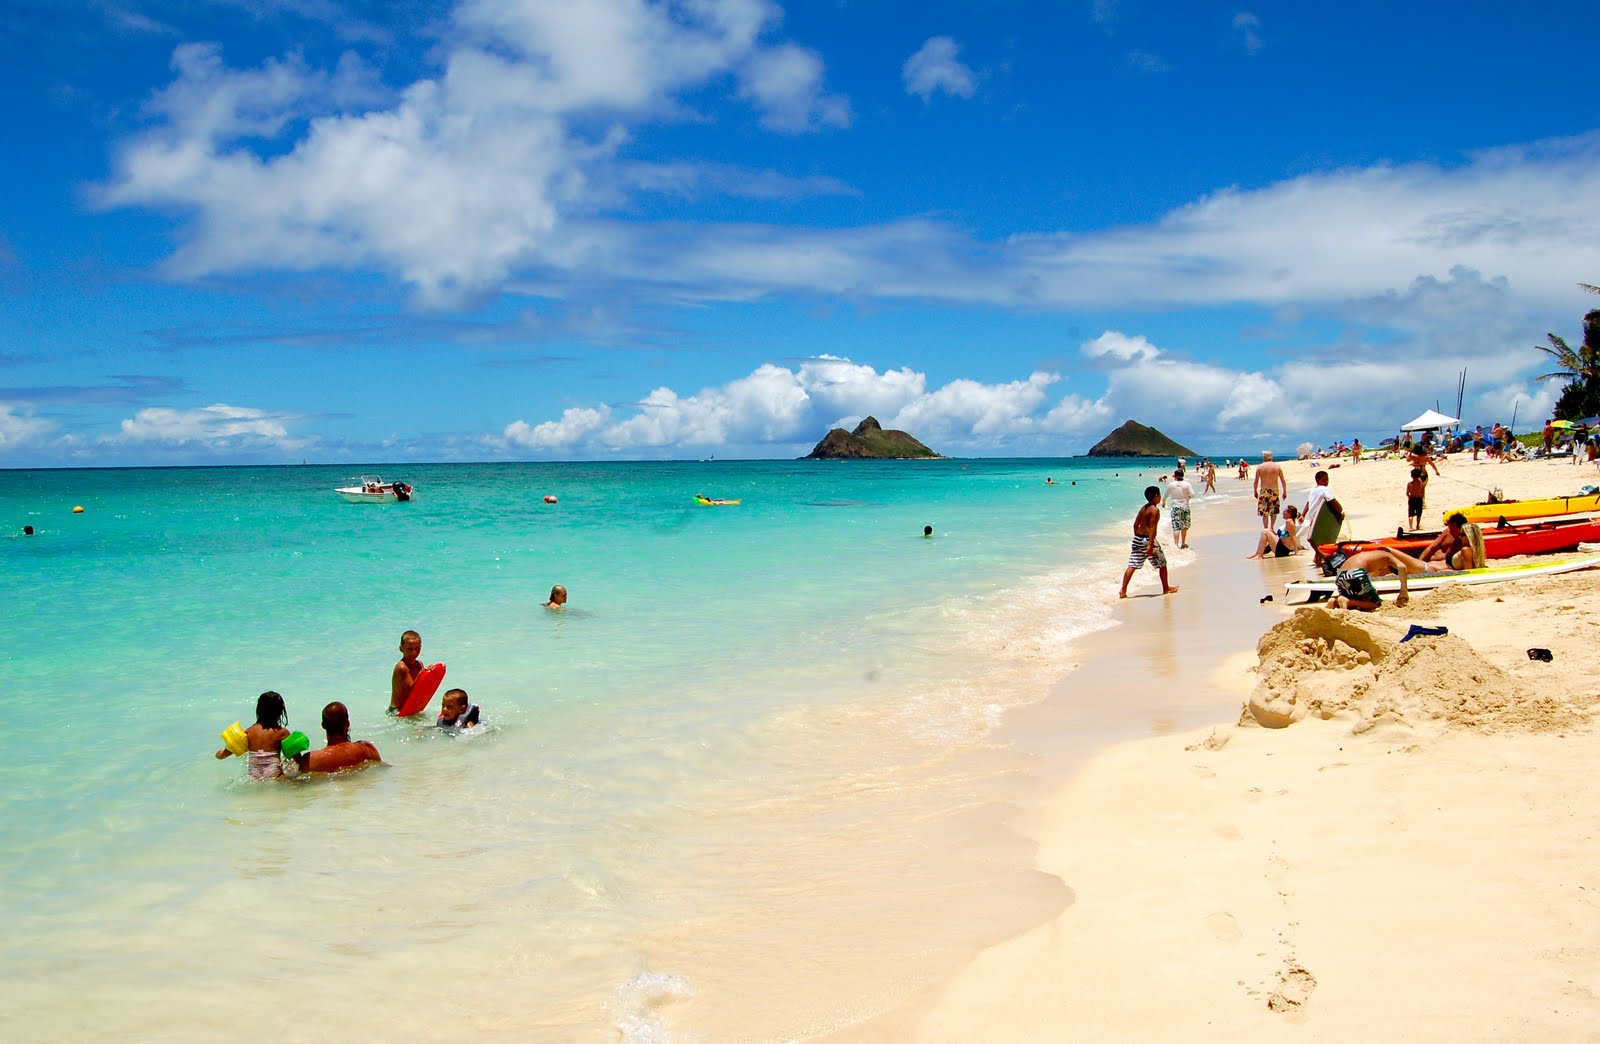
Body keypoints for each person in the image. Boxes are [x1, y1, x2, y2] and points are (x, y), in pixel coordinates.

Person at [215, 691, 292, 780]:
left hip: (254, 772)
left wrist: (219, 754)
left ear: (258, 710)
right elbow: (295, 757)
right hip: (273, 771)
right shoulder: (282, 732)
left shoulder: (249, 732)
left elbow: (226, 753)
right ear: (280, 712)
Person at [1119, 486, 1178, 598]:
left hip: (1138, 539)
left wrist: (1138, 538)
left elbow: (1135, 525)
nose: (1160, 497)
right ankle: (1166, 588)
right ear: (1156, 496)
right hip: (1147, 540)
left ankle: (1123, 590)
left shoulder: (1144, 508)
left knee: (1132, 565)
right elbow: (1152, 528)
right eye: (1159, 495)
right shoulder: (1154, 510)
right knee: (1162, 564)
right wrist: (1150, 544)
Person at [295, 701, 381, 773]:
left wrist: (296, 759)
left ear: (323, 725)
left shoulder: (311, 761)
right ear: (347, 723)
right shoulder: (367, 749)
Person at [1302, 470, 1346, 566]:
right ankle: (1322, 557)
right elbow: (1332, 501)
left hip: (1314, 517)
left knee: (1319, 540)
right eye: (1324, 480)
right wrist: (1340, 511)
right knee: (1318, 540)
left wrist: (1303, 514)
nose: (1326, 482)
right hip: (1319, 519)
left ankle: (1317, 559)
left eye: (1327, 480)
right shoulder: (1324, 489)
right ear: (1317, 480)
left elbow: (1308, 503)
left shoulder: (1314, 490)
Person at [391, 630, 425, 713]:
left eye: (417, 648)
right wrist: (421, 675)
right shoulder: (402, 667)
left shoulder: (419, 664)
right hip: (397, 711)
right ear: (401, 648)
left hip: (411, 708)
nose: (414, 652)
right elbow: (411, 690)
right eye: (409, 649)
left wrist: (433, 672)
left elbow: (424, 687)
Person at [1253, 451, 1288, 531]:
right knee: (1273, 511)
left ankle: (1265, 528)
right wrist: (1285, 491)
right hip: (1274, 491)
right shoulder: (1277, 467)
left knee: (1264, 511)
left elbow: (1256, 481)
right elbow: (1283, 480)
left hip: (1264, 492)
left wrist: (1255, 491)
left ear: (1265, 457)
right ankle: (1272, 527)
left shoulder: (1260, 467)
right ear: (1271, 457)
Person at [1162, 467, 1195, 549]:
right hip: (1185, 507)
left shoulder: (1171, 484)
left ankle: (1176, 545)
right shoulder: (1187, 484)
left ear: (1175, 476)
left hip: (1175, 506)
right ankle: (1183, 543)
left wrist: (1163, 501)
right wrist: (1187, 497)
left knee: (1176, 526)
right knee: (1184, 526)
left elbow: (1166, 495)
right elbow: (1192, 495)